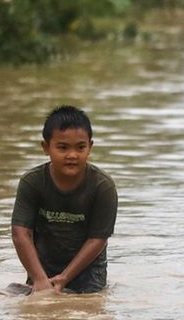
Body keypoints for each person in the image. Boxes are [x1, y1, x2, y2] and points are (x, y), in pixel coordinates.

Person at [11, 106, 119, 294]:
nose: (72, 155)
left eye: (80, 147)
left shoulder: (103, 187)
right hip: (42, 268)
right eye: (62, 147)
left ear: (90, 147)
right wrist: (39, 278)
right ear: (46, 147)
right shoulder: (32, 182)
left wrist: (64, 278)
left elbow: (98, 239)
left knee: (83, 313)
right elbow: (20, 234)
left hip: (89, 272)